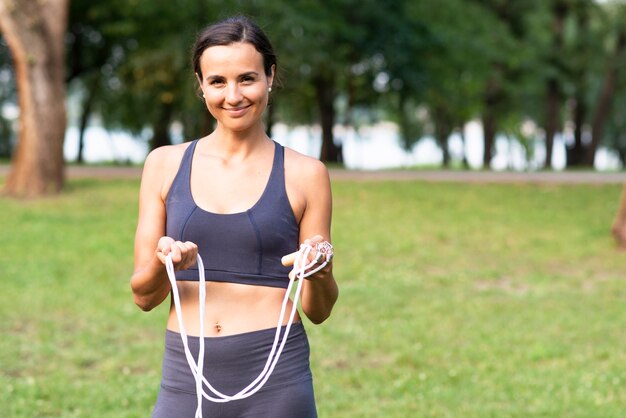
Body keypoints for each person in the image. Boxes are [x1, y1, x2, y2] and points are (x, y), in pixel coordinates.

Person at [130, 15, 338, 418]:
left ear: (270, 76)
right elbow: (143, 296)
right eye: (218, 81)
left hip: (277, 379)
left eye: (247, 78)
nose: (233, 95)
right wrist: (167, 264)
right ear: (201, 85)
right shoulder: (164, 164)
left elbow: (319, 309)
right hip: (185, 377)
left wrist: (320, 270)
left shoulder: (306, 173)